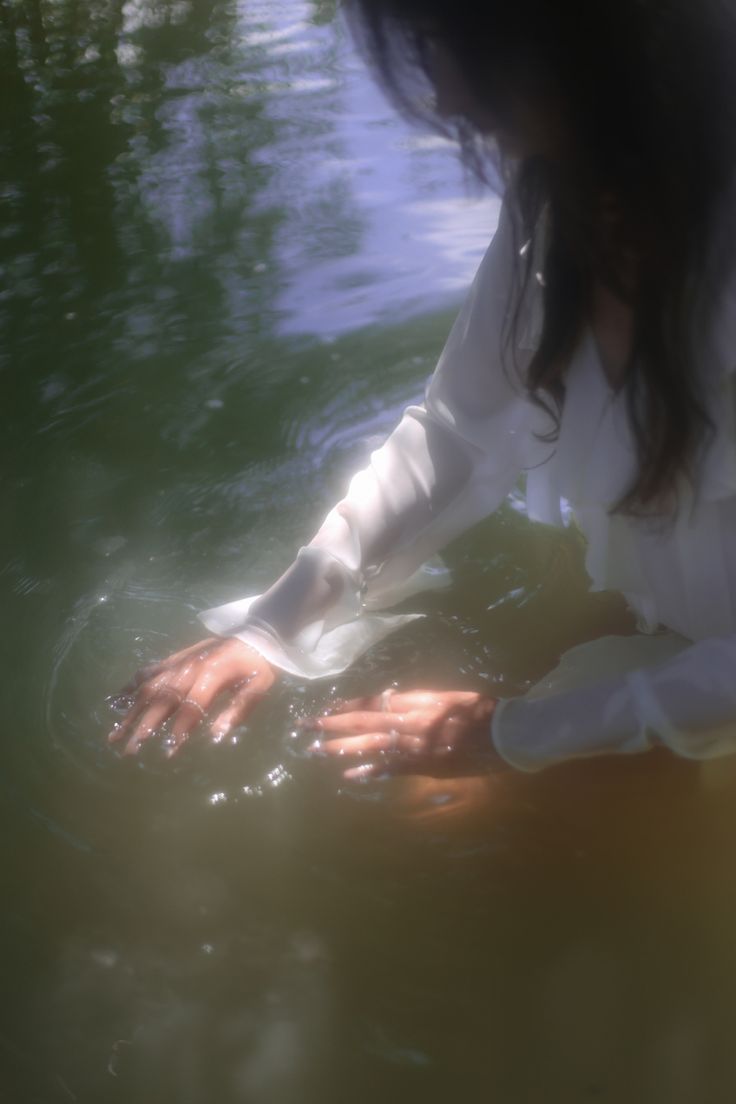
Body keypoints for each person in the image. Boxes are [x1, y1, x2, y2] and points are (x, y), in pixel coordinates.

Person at [110, 0, 736, 780]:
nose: (444, 97)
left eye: (448, 43)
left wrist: (518, 736)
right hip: (675, 633)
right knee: (413, 801)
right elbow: (458, 432)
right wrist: (275, 624)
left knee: (443, 829)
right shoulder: (568, 187)